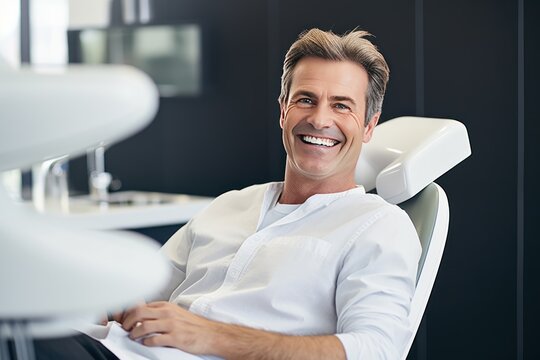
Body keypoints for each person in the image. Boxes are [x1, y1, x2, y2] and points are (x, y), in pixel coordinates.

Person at [36, 28, 420, 360]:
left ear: (369, 126)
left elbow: (377, 349)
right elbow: (139, 292)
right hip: (106, 346)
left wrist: (209, 335)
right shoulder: (228, 206)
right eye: (305, 99)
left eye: (341, 106)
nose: (320, 119)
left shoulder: (378, 226)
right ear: (283, 110)